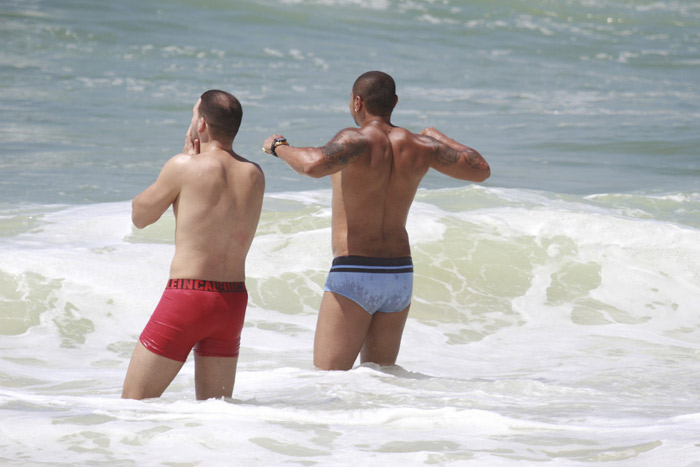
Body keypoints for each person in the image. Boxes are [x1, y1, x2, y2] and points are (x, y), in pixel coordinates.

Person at [263, 71, 490, 371]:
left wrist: (278, 145)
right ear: (394, 102)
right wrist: (437, 136)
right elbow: (480, 169)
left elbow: (312, 165)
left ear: (357, 102)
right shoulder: (421, 145)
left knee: (328, 381)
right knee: (381, 385)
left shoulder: (356, 139)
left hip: (355, 270)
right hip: (398, 275)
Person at [122, 90, 264, 400]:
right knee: (216, 413)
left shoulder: (183, 166)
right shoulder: (254, 174)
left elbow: (140, 216)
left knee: (134, 406)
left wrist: (183, 158)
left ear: (201, 125)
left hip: (189, 297)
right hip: (232, 303)